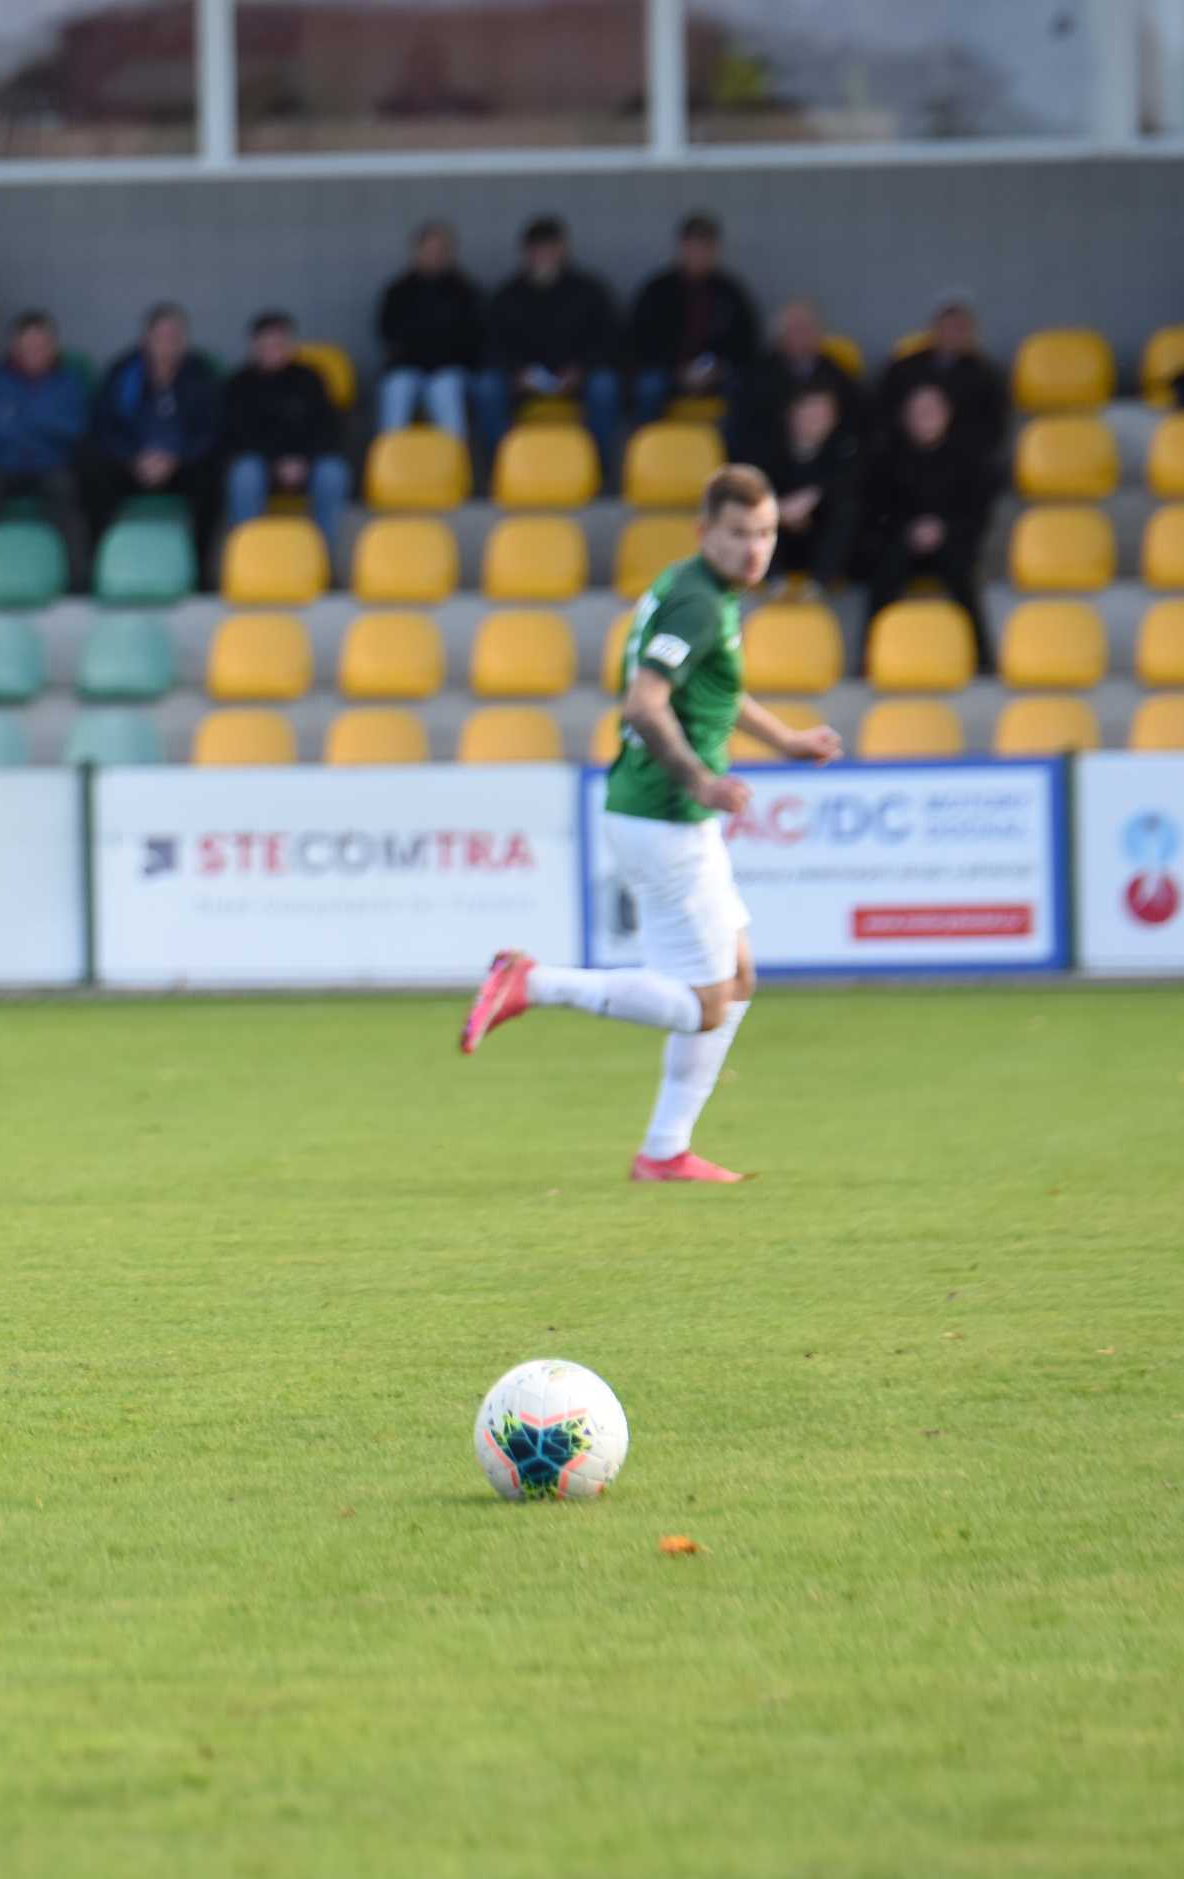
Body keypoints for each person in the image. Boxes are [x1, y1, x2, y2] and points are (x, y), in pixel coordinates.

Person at [461, 465, 842, 1183]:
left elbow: (716, 690)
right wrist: (700, 778)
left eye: (764, 534)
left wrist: (786, 740)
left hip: (665, 815)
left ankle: (666, 1150)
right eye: (738, 534)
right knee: (704, 1007)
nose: (754, 549)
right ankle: (533, 982)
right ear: (706, 532)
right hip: (665, 817)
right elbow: (644, 705)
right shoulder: (699, 604)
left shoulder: (700, 590)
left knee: (740, 977)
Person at [859, 382, 994, 672]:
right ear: (906, 416)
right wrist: (910, 530)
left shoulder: (967, 457)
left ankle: (983, 659)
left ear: (947, 414)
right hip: (899, 541)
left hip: (950, 541)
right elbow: (877, 507)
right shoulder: (886, 455)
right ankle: (869, 657)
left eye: (932, 411)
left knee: (962, 574)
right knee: (884, 573)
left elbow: (975, 510)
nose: (926, 418)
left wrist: (942, 529)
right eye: (919, 412)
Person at [474, 215, 623, 476]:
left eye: (550, 248)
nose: (544, 256)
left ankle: (599, 469)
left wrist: (580, 370)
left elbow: (609, 341)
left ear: (562, 250)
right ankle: (500, 468)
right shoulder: (507, 296)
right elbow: (491, 346)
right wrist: (517, 373)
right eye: (537, 250)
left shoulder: (588, 291)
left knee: (605, 385)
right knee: (487, 387)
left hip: (578, 379)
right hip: (522, 382)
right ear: (526, 253)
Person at [86, 303, 224, 572]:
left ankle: (199, 568)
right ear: (145, 340)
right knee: (93, 470)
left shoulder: (200, 374)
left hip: (182, 465)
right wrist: (133, 459)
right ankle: (103, 563)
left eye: (175, 337)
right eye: (161, 337)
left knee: (212, 475)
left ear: (184, 341)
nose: (168, 344)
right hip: (132, 465)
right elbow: (104, 426)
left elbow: (211, 430)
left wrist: (176, 458)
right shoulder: (123, 372)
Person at [0, 309, 90, 587]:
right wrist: (41, 424)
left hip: (52, 466)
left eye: (42, 346)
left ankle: (79, 589)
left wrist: (20, 422)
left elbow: (75, 429)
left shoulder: (70, 383)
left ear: (53, 347)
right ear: (14, 347)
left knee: (69, 501)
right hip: (1, 465)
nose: (35, 352)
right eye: (28, 346)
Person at [222, 311, 349, 554]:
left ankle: (322, 558)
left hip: (307, 463)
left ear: (291, 345)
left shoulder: (311, 378)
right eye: (265, 345)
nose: (272, 351)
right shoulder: (239, 383)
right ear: (254, 346)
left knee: (333, 473)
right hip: (261, 464)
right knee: (244, 474)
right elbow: (238, 434)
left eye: (279, 344)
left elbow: (327, 428)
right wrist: (276, 463)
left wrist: (304, 461)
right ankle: (246, 555)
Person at [626, 213, 759, 426]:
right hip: (668, 372)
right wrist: (676, 371)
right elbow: (639, 343)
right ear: (682, 248)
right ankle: (649, 448)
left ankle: (729, 453)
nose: (699, 255)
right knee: (648, 386)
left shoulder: (731, 293)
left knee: (744, 388)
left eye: (705, 248)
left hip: (717, 375)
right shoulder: (657, 290)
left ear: (715, 249)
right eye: (693, 247)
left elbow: (747, 345)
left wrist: (719, 369)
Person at [875, 292, 1008, 477]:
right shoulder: (902, 368)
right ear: (933, 329)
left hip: (963, 463)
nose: (951, 334)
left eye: (958, 328)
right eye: (945, 327)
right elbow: (882, 414)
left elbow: (993, 429)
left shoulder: (986, 375)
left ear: (970, 333)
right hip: (903, 459)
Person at [376, 220, 481, 440]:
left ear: (450, 253)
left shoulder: (465, 291)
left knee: (446, 390)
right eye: (428, 250)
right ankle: (391, 465)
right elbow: (387, 333)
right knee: (396, 389)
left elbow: (474, 337)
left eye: (440, 250)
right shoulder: (398, 291)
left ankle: (454, 466)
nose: (434, 256)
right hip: (409, 368)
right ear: (416, 252)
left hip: (450, 369)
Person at [748, 385, 857, 595]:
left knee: (848, 509)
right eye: (809, 412)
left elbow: (849, 485)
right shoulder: (765, 446)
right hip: (776, 540)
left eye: (823, 414)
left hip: (819, 542)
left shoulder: (844, 449)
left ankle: (819, 584)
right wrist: (777, 508)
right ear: (792, 413)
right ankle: (772, 581)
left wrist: (813, 495)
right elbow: (752, 484)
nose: (815, 420)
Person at [723, 298, 859, 465]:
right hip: (770, 465)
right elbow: (742, 434)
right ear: (779, 336)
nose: (802, 336)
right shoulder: (752, 377)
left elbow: (855, 427)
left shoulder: (837, 375)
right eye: (794, 330)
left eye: (808, 329)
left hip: (828, 470)